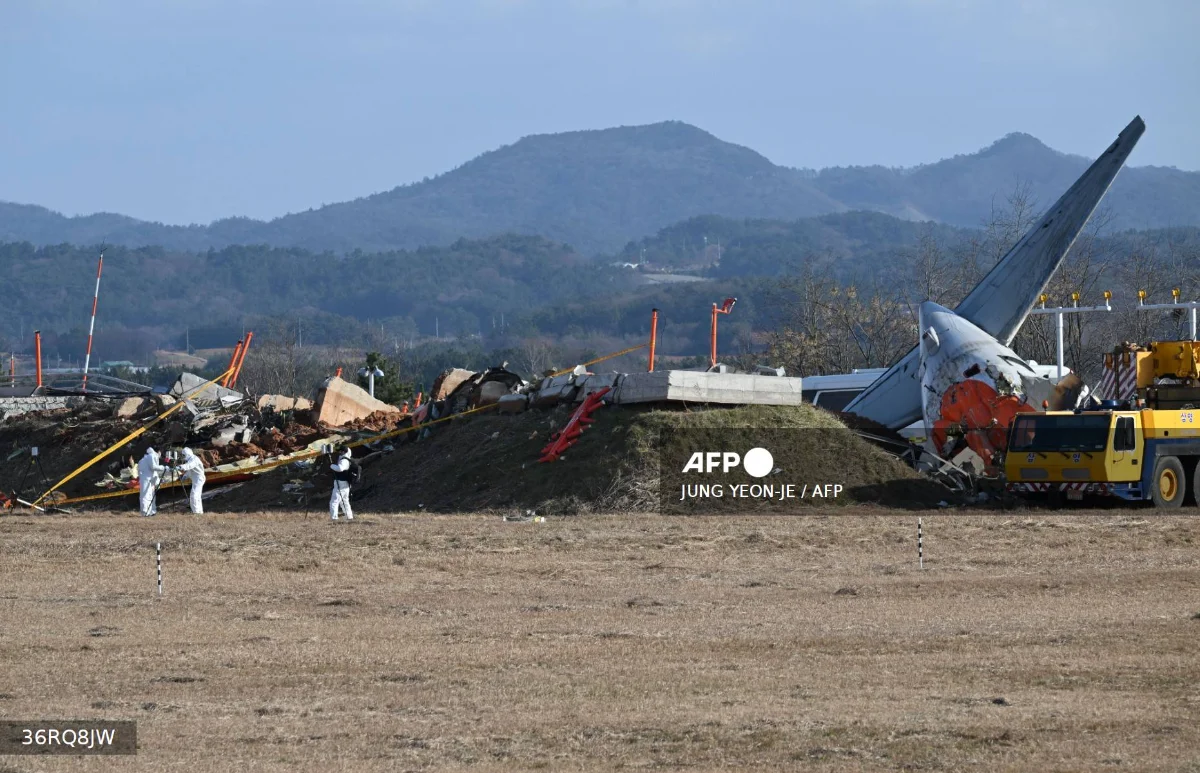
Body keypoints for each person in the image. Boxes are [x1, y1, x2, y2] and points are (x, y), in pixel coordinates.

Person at [137, 447, 165, 517]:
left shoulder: (148, 457)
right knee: (145, 495)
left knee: (152, 495)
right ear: (158, 451)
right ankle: (145, 512)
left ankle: (152, 511)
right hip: (146, 479)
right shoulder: (151, 456)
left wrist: (157, 480)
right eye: (160, 452)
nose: (160, 454)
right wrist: (163, 467)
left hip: (150, 478)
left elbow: (153, 471)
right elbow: (153, 467)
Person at [178, 447, 206, 514]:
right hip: (196, 479)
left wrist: (180, 467)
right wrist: (184, 476)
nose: (183, 457)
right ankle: (199, 512)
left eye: (184, 455)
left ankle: (196, 513)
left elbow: (189, 466)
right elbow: (190, 471)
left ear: (187, 454)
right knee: (197, 496)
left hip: (199, 479)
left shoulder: (194, 459)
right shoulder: (191, 459)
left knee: (194, 495)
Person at [329, 447, 354, 521]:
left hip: (341, 483)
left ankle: (334, 518)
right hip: (345, 483)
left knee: (334, 501)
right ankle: (349, 516)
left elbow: (340, 468)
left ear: (343, 452)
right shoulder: (346, 459)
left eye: (340, 451)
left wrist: (331, 466)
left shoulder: (344, 461)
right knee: (345, 501)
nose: (339, 452)